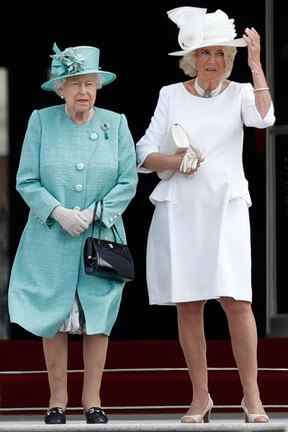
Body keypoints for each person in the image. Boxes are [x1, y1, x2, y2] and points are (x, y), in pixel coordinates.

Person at [136, 7, 275, 424]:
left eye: (219, 52)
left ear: (228, 58)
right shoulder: (169, 94)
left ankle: (252, 396)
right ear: (191, 58)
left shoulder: (240, 93)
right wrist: (175, 162)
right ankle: (201, 398)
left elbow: (265, 118)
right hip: (183, 210)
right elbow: (144, 153)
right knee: (190, 303)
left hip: (225, 209)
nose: (212, 60)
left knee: (237, 300)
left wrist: (256, 66)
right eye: (204, 53)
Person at [8, 42, 137, 424]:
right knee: (54, 317)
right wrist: (59, 212)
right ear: (59, 87)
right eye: (74, 82)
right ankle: (56, 401)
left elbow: (127, 181)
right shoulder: (41, 121)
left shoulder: (116, 124)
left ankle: (93, 401)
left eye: (90, 83)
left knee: (98, 317)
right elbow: (26, 180)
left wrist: (99, 212)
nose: (83, 91)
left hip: (102, 237)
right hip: (50, 235)